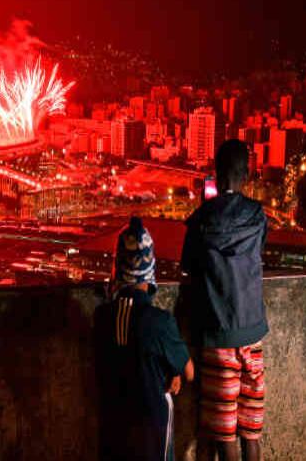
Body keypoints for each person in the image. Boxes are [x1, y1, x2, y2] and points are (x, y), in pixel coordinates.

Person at [180, 140, 268, 461]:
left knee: (224, 433)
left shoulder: (201, 219)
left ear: (216, 176)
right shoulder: (258, 216)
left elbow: (188, 266)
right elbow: (257, 253)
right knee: (251, 431)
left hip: (219, 336)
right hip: (253, 335)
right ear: (245, 174)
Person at [102, 216, 195, 461]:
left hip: (113, 428)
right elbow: (189, 372)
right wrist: (172, 370)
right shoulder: (159, 321)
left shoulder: (102, 317)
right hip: (151, 432)